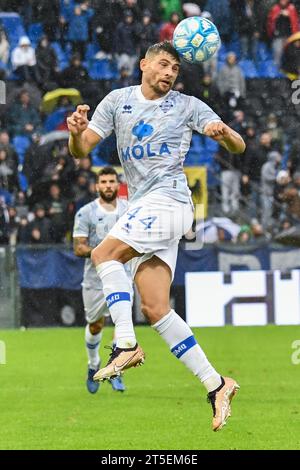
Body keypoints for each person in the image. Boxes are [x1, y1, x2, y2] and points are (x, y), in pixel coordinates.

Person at [67, 41, 245, 432]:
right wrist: (76, 134)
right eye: (163, 65)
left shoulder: (187, 106)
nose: (169, 73)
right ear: (143, 63)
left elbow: (239, 145)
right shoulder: (117, 101)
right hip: (146, 207)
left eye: (175, 69)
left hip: (171, 201)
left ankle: (126, 344)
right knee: (156, 309)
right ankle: (217, 384)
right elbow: (81, 151)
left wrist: (225, 132)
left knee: (103, 254)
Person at [73, 167, 129, 394]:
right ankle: (94, 364)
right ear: (97, 186)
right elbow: (78, 247)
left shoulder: (129, 210)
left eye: (111, 181)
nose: (107, 185)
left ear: (117, 185)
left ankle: (115, 369)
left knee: (122, 323)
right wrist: (103, 252)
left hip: (123, 275)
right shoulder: (85, 213)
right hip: (95, 279)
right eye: (103, 181)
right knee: (96, 325)